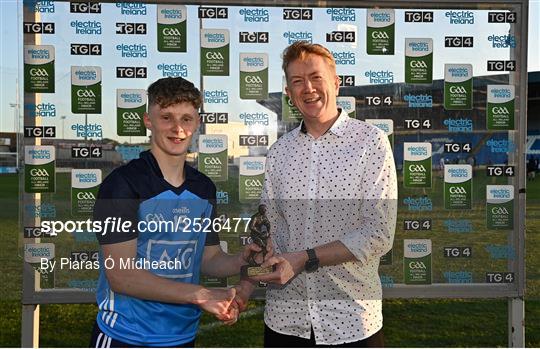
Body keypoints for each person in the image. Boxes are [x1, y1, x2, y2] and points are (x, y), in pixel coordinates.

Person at [243, 41, 398, 347]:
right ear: (289, 93)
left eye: (316, 77)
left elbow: (378, 233)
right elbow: (269, 229)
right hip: (285, 321)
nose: (308, 88)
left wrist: (304, 258)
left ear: (336, 84)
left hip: (351, 321)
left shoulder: (371, 142)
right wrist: (249, 277)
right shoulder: (278, 152)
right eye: (297, 81)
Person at [90, 77, 259, 348]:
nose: (177, 128)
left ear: (197, 123)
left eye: (186, 119)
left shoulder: (203, 188)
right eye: (166, 117)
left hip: (181, 336)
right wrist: (201, 295)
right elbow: (121, 276)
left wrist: (242, 259)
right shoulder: (122, 184)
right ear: (148, 121)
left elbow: (208, 258)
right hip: (126, 336)